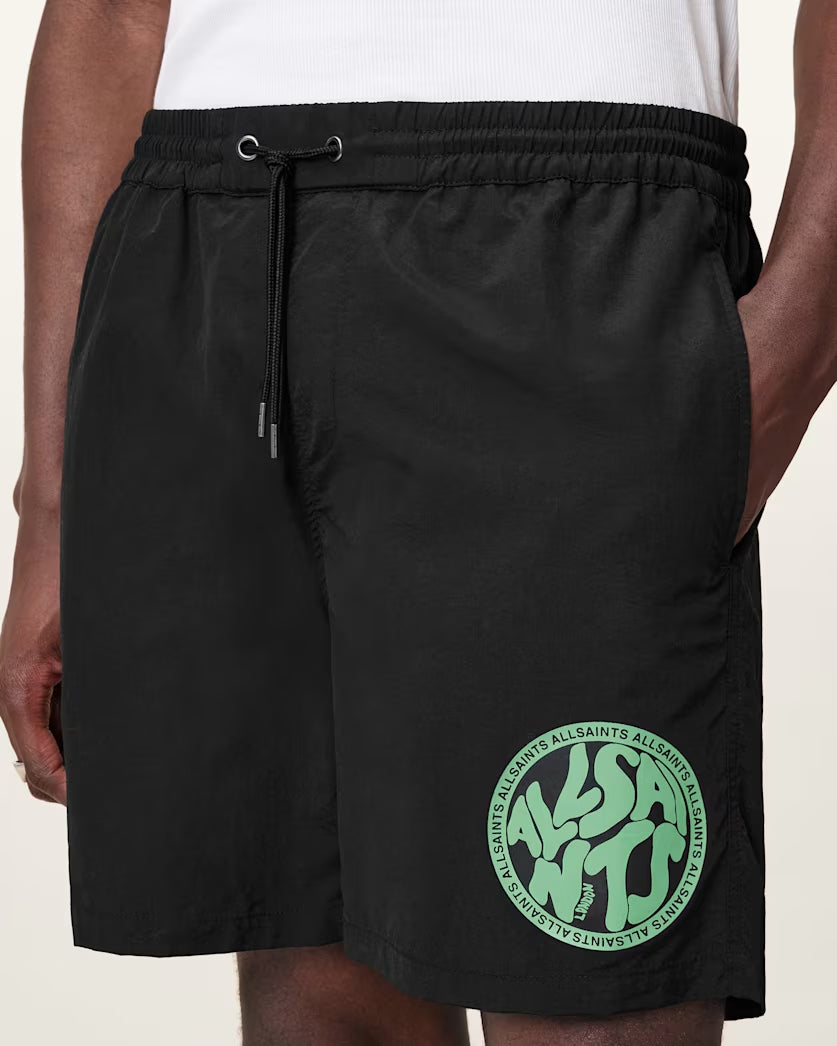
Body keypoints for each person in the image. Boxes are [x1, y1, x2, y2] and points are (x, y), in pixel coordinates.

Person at [1, 1, 833, 1043]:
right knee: (321, 986)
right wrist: (50, 504)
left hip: (571, 233)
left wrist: (798, 334)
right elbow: (110, 13)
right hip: (208, 238)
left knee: (590, 967)